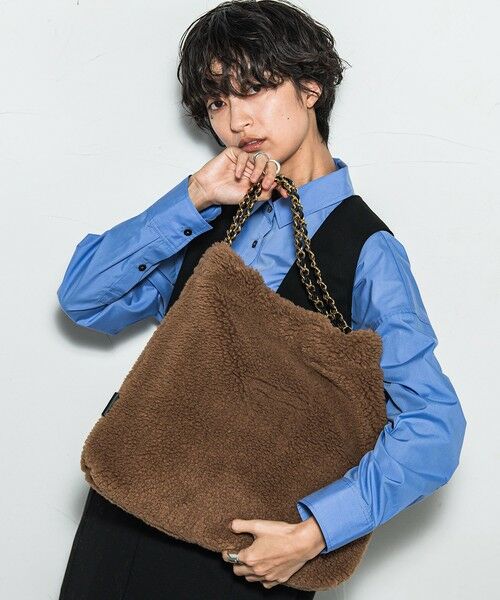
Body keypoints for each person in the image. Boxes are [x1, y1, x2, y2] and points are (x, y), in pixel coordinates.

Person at [57, 1, 467, 598]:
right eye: (216, 102)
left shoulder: (366, 249)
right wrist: (194, 196)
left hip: (242, 554)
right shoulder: (206, 216)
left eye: (253, 89)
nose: (236, 120)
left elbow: (434, 425)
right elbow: (83, 300)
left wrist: (315, 532)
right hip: (124, 516)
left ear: (311, 87)